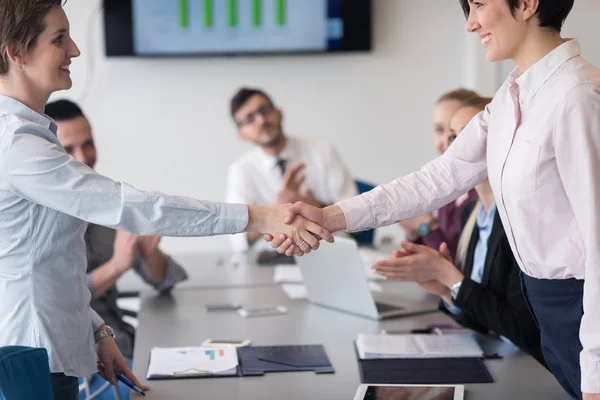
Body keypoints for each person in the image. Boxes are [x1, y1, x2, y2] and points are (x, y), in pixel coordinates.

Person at [0, 2, 330, 399]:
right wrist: (260, 217)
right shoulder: (16, 146)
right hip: (28, 356)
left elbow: (44, 263)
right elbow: (132, 207)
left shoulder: (31, 138)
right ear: (16, 53)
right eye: (58, 39)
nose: (75, 50)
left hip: (49, 348)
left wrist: (96, 329)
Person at [271, 1, 600, 398]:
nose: (471, 23)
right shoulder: (513, 97)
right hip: (547, 309)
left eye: (479, 4)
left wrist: (596, 370)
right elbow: (435, 180)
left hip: (582, 310)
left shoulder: (578, 97)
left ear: (527, 4)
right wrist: (328, 217)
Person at [373, 97, 545, 365]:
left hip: (532, 366)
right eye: (453, 137)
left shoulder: (521, 219)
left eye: (468, 135)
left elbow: (523, 331)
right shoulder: (473, 214)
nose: (452, 146)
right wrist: (444, 288)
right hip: (502, 358)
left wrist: (448, 275)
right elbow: (484, 317)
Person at [46, 99, 189, 361]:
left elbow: (169, 279)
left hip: (125, 348)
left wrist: (148, 253)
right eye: (68, 149)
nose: (83, 158)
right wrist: (117, 266)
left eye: (87, 144)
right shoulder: (36, 221)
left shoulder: (106, 204)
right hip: (83, 367)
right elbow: (56, 298)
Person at [226, 87, 357, 252]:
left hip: (331, 248)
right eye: (249, 119)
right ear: (241, 134)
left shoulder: (323, 151)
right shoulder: (240, 170)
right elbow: (239, 241)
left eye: (264, 110)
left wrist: (316, 206)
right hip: (275, 257)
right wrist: (273, 210)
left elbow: (356, 213)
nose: (260, 120)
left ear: (279, 113)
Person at [398, 89, 478, 262]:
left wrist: (427, 226)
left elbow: (457, 264)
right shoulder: (448, 186)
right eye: (439, 130)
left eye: (454, 131)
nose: (446, 140)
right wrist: (416, 235)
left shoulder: (480, 194)